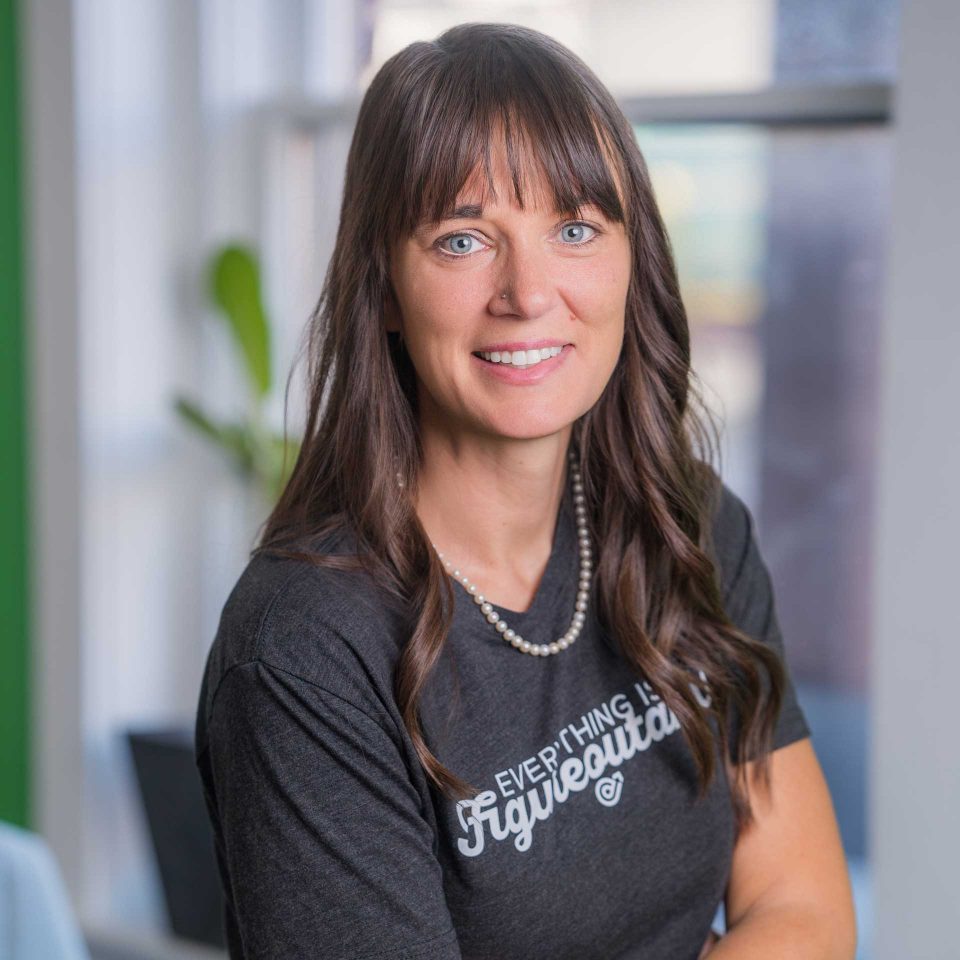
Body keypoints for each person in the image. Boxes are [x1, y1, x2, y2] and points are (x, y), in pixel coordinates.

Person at [193, 21, 856, 960]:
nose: (529, 292)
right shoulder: (305, 654)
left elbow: (809, 913)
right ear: (383, 285)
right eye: (464, 240)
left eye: (576, 228)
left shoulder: (688, 528)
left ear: (635, 259)